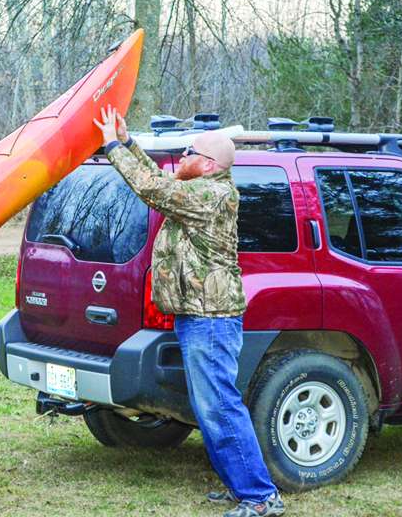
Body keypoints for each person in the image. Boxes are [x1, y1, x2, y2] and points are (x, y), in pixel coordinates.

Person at [93, 105, 285, 517]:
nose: (181, 158)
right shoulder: (197, 189)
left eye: (188, 153)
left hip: (212, 321)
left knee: (219, 406)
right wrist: (129, 142)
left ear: (208, 164)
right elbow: (162, 181)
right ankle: (241, 487)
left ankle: (261, 496)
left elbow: (152, 189)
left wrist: (111, 146)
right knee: (208, 407)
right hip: (195, 316)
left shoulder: (212, 196)